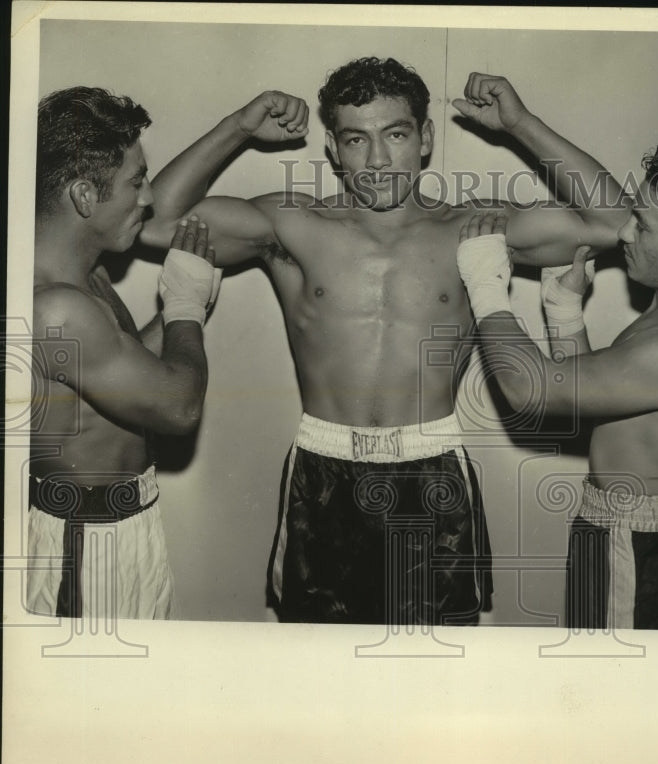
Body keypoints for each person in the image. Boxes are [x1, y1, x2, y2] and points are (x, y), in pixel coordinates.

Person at [140, 58, 629, 625]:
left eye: (395, 135)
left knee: (435, 668)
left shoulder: (470, 227)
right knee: (320, 664)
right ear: (333, 148)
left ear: (424, 138)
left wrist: (522, 124)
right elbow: (152, 221)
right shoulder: (294, 224)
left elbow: (615, 224)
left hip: (432, 466)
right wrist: (239, 128)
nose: (376, 160)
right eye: (356, 140)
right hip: (322, 469)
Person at [456, 140, 658, 630]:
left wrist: (486, 283)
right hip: (617, 532)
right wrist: (565, 315)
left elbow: (532, 391)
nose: (623, 231)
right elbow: (605, 401)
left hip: (642, 548)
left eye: (642, 222)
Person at [30, 86, 222, 619]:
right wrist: (185, 307)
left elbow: (123, 365)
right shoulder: (56, 308)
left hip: (120, 524)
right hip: (86, 538)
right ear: (85, 197)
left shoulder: (82, 277)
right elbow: (178, 408)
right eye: (135, 182)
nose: (148, 198)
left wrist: (241, 127)